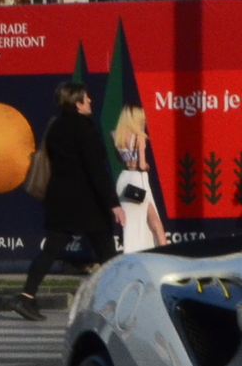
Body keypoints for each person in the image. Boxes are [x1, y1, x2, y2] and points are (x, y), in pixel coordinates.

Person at [14, 82, 120, 321]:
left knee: (51, 249)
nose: (91, 101)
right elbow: (96, 170)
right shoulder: (84, 130)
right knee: (106, 252)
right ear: (77, 103)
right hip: (88, 202)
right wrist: (112, 203)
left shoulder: (56, 127)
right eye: (86, 98)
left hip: (60, 199)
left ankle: (26, 296)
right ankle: (115, 300)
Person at [113, 105, 168, 254]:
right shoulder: (139, 137)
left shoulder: (116, 136)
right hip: (138, 180)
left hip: (124, 179)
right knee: (156, 224)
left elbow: (120, 159)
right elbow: (142, 165)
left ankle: (132, 254)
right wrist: (148, 166)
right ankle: (167, 255)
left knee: (131, 225)